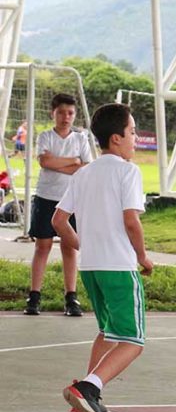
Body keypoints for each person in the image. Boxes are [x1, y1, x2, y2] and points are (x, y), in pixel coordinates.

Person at [56, 103, 153, 412]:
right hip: (118, 267)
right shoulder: (128, 171)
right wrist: (143, 257)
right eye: (132, 131)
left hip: (91, 268)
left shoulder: (84, 173)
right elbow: (131, 221)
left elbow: (59, 221)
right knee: (133, 340)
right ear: (116, 138)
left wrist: (84, 245)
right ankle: (89, 387)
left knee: (107, 332)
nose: (135, 138)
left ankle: (84, 395)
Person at [25, 94, 94, 316]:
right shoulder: (45, 136)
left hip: (73, 199)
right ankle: (34, 296)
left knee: (69, 247)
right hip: (46, 196)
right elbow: (45, 161)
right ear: (53, 113)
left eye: (71, 113)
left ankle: (71, 297)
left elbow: (86, 167)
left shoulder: (80, 139)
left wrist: (60, 164)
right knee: (42, 246)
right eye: (62, 112)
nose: (66, 117)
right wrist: (72, 161)